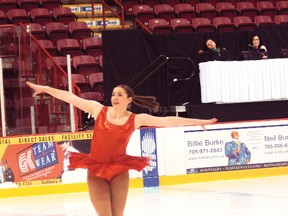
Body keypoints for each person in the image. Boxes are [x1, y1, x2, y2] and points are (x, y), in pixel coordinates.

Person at [26, 81, 217, 216]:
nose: (114, 97)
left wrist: (197, 121)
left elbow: (167, 121)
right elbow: (70, 97)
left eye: (119, 95)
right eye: (113, 94)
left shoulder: (136, 119)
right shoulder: (98, 110)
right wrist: (45, 89)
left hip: (119, 171)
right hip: (96, 170)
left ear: (129, 99)